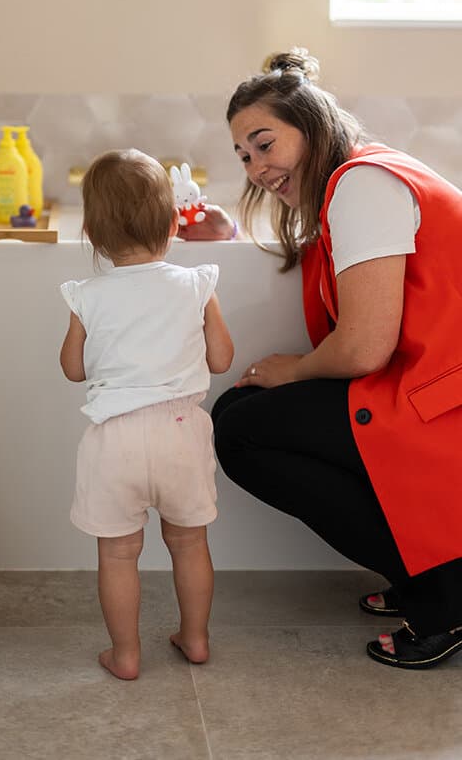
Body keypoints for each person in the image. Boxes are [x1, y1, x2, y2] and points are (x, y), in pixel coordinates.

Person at [179, 47, 462, 669]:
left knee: (242, 430)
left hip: (441, 399)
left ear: (309, 128)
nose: (256, 168)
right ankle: (428, 572)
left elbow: (364, 346)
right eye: (243, 156)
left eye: (264, 145)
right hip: (426, 385)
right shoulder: (357, 179)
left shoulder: (362, 185)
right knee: (239, 414)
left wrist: (293, 369)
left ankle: (445, 592)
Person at [59, 149, 234, 680]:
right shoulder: (197, 284)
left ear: (91, 234)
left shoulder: (87, 296)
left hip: (115, 440)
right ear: (173, 225)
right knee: (189, 543)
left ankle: (126, 655)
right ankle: (196, 638)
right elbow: (222, 359)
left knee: (118, 555)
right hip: (181, 433)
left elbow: (73, 369)